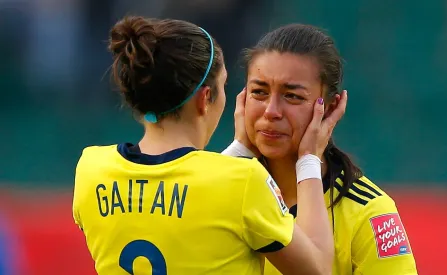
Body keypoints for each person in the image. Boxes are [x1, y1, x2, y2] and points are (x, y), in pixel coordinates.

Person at [72, 16, 346, 275]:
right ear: (204, 98)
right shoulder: (243, 181)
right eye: (225, 85)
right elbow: (318, 267)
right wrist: (309, 158)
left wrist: (239, 149)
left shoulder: (91, 169)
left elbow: (181, 204)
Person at [223, 24, 418, 275]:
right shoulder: (226, 189)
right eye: (259, 92)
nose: (271, 111)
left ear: (329, 106)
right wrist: (239, 150)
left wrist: (307, 161)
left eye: (292, 96)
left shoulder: (368, 212)